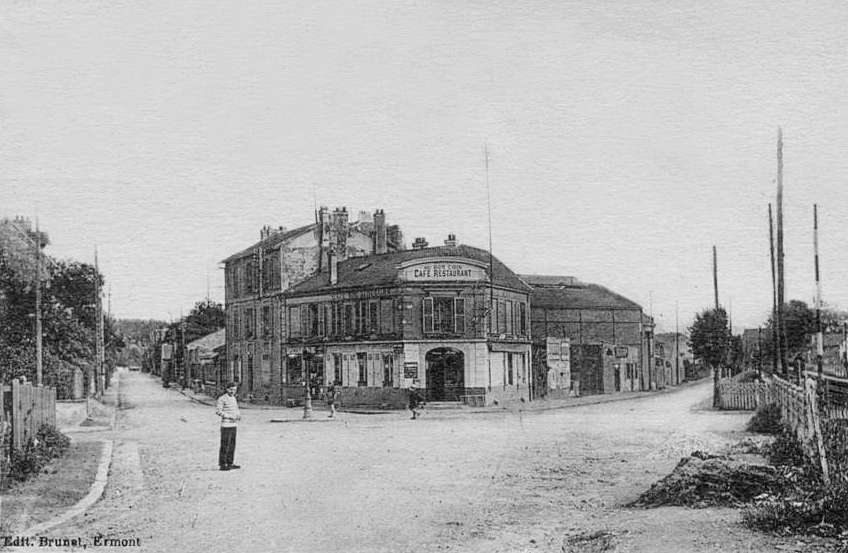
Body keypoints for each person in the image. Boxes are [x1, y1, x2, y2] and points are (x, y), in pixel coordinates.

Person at [215, 382, 241, 471]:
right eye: (231, 389)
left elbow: (236, 409)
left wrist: (238, 415)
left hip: (234, 424)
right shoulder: (222, 399)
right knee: (225, 445)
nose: (232, 391)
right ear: (227, 389)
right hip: (226, 425)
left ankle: (230, 462)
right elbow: (218, 411)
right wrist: (229, 416)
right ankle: (222, 464)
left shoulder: (234, 398)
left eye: (234, 390)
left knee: (232, 444)